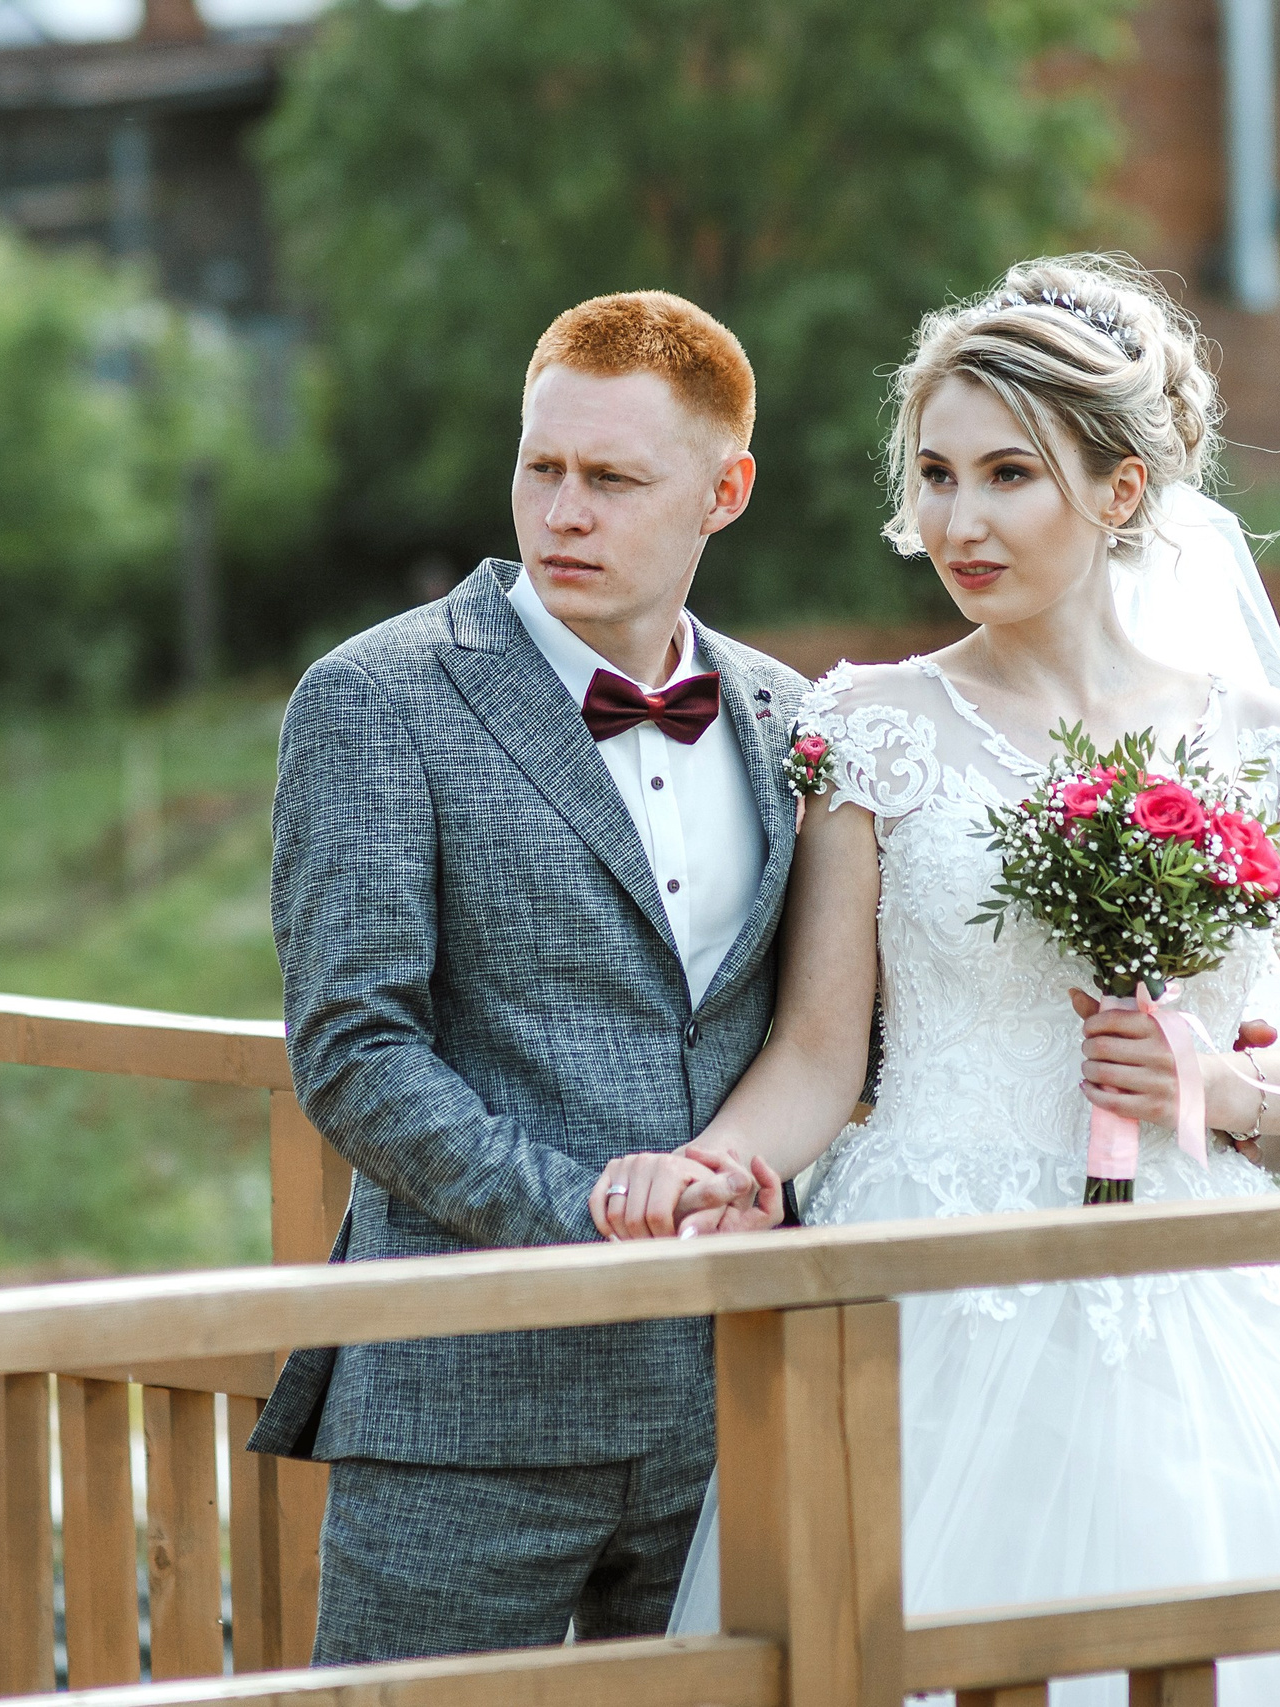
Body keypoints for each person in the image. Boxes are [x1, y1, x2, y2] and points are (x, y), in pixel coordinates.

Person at [597, 254, 1280, 1706]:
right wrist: (711, 1165)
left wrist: (1224, 1087)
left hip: (1193, 1285)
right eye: (937, 475)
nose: (960, 522)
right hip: (928, 1283)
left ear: (1123, 491)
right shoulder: (871, 726)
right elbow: (819, 1055)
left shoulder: (1251, 737)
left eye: (1009, 475)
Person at [244, 290, 798, 1662]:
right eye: (541, 467)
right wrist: (595, 1215)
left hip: (730, 1395)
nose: (563, 512)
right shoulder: (375, 698)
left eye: (613, 479)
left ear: (725, 491)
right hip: (468, 1392)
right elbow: (355, 1050)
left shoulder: (793, 718)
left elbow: (818, 1028)